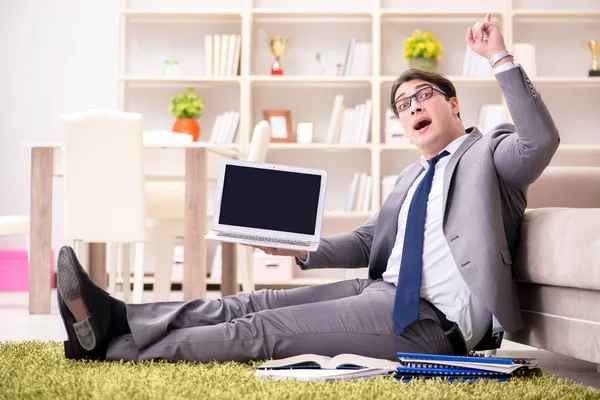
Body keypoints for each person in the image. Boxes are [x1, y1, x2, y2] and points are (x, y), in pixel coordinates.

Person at [56, 13, 559, 363]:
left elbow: (541, 140)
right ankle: (118, 316)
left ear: (453, 106)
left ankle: (108, 347)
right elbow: (367, 242)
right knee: (249, 303)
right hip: (379, 290)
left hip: (432, 324)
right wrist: (294, 248)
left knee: (262, 332)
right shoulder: (410, 178)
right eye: (402, 106)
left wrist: (499, 58)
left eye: (424, 96)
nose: (412, 108)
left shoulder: (490, 155)